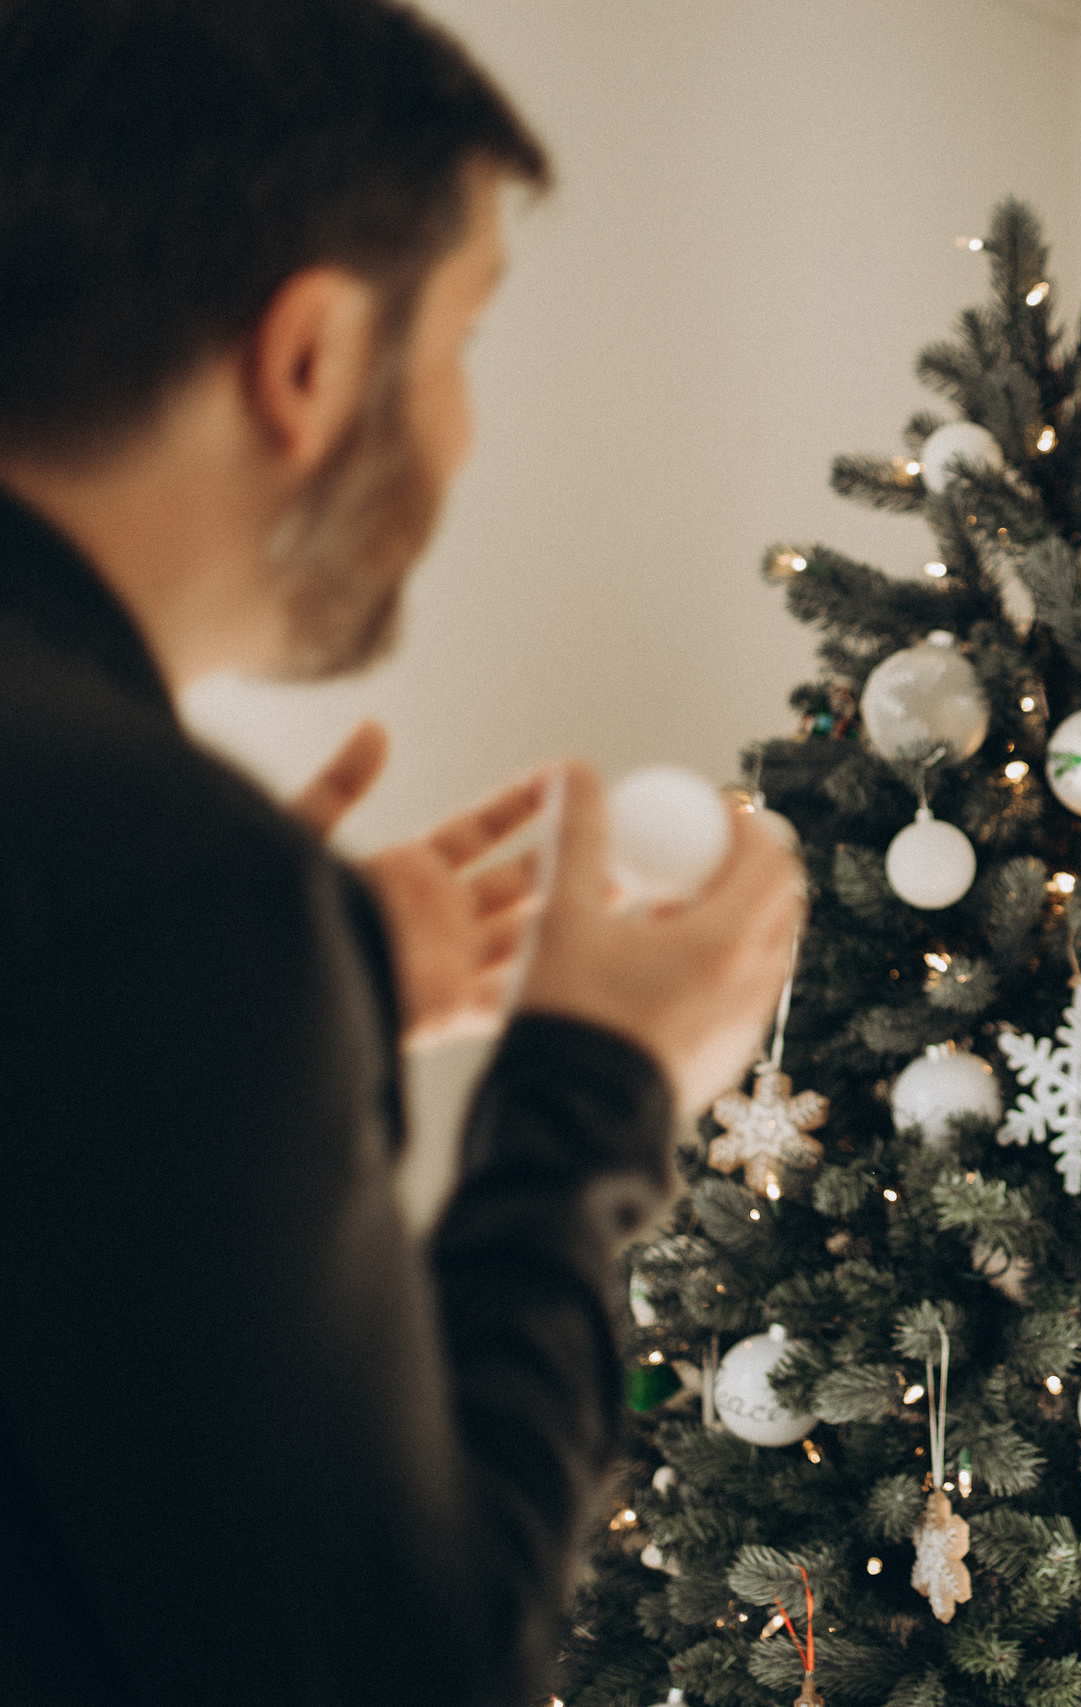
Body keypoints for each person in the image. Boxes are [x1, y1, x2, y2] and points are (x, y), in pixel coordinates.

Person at [0, 4, 806, 1705]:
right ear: (309, 361)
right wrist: (603, 1084)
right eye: (461, 339)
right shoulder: (165, 883)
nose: (459, 424)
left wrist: (311, 977)